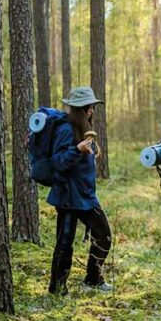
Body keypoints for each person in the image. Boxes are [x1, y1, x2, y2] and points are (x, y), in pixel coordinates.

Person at [48, 86, 112, 295]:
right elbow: (56, 162)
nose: (92, 110)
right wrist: (77, 151)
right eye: (89, 107)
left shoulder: (82, 127)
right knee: (64, 245)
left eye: (92, 106)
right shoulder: (66, 129)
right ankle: (57, 289)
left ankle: (93, 279)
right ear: (81, 109)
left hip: (84, 197)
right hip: (67, 197)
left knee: (103, 234)